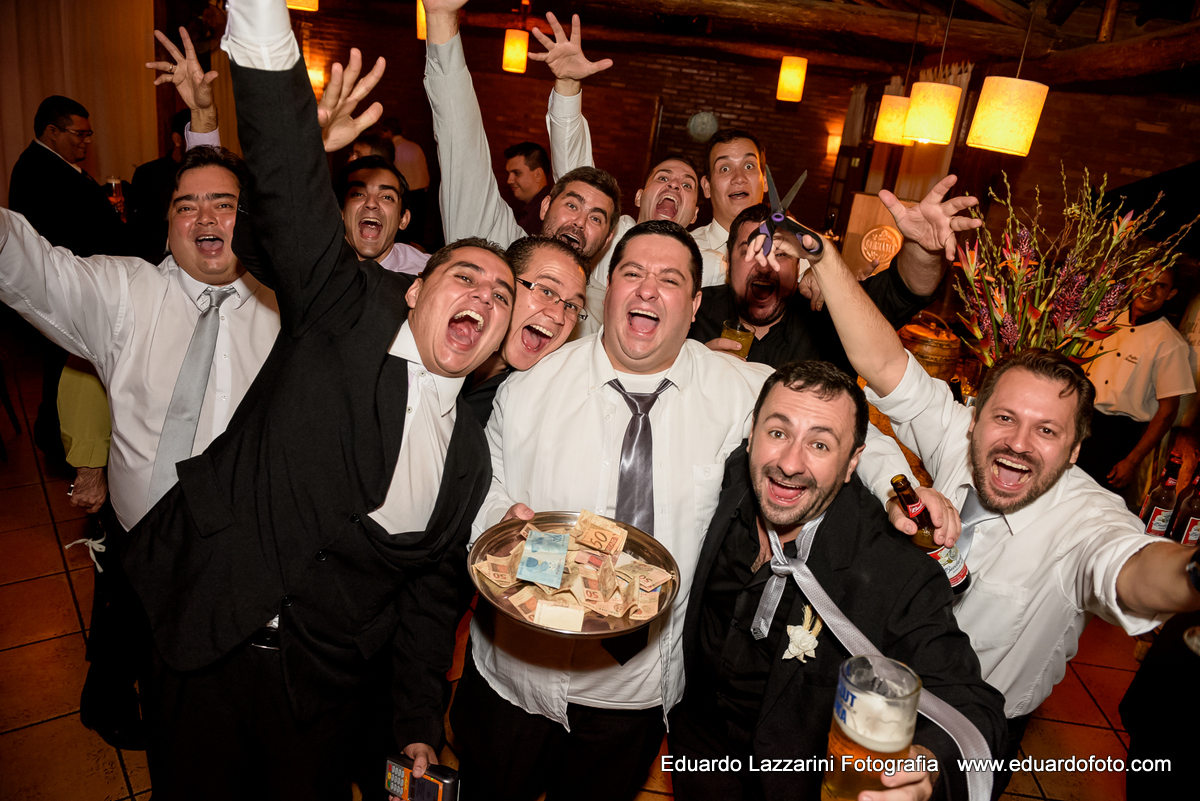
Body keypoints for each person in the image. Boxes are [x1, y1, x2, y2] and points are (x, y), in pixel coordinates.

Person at [120, 3, 513, 795]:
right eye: (462, 276)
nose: (483, 295)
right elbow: (291, 198)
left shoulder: (470, 459)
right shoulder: (347, 307)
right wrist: (263, 20)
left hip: (323, 698)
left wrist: (414, 723)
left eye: (501, 295)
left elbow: (427, 601)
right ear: (411, 290)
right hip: (204, 637)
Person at [454, 218, 926, 801]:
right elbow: (488, 492)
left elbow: (841, 419)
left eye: (670, 279)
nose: (648, 289)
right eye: (633, 273)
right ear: (610, 289)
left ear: (696, 302)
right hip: (516, 678)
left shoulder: (736, 389)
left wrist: (900, 488)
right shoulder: (530, 388)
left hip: (635, 693)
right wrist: (504, 529)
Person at [798, 211, 1200, 797]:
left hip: (972, 727)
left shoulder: (1084, 518)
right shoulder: (960, 438)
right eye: (1005, 418)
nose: (1016, 443)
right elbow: (885, 363)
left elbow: (1132, 567)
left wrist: (1195, 573)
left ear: (1075, 448)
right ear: (976, 418)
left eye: (1046, 431)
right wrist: (822, 255)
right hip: (882, 691)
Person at [672, 361, 1006, 801]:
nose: (789, 463)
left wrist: (928, 771)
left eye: (820, 444)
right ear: (751, 435)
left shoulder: (891, 569)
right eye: (777, 433)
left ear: (852, 463)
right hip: (698, 750)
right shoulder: (727, 483)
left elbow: (974, 711)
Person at [690, 177, 966, 368]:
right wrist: (691, 368)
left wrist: (922, 247)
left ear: (800, 264)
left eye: (781, 253)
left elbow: (906, 290)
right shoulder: (692, 315)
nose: (766, 265)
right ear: (729, 259)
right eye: (751, 251)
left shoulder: (834, 317)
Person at [423, 0, 621, 264]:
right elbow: (461, 143)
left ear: (608, 239)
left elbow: (576, 175)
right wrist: (441, 19)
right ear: (545, 206)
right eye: (571, 206)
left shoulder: (605, 300)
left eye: (596, 218)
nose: (579, 223)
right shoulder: (499, 251)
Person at [1075, 264, 1194, 496]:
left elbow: (1168, 411)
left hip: (1115, 439)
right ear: (1132, 282)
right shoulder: (1103, 321)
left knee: (1090, 508)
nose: (1149, 290)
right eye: (1145, 281)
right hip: (1075, 422)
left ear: (1171, 294)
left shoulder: (1170, 343)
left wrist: (1133, 460)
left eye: (1161, 286)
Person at [460, 235, 589, 423]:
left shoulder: (535, 406)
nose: (559, 316)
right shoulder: (442, 340)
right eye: (546, 291)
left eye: (571, 306)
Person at [334, 154, 429, 274]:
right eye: (358, 194)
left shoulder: (427, 274)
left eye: (387, 197)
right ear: (341, 211)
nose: (371, 203)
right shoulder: (315, 269)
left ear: (403, 219)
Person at [692, 128, 765, 283]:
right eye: (725, 168)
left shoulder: (797, 254)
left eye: (749, 166)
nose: (739, 178)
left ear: (764, 181)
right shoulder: (685, 251)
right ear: (707, 187)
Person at [379, 117, 432, 249]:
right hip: (420, 195)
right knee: (417, 233)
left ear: (389, 132)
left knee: (401, 235)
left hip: (404, 196)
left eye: (383, 132)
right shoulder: (415, 146)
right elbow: (425, 173)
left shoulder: (391, 149)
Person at [503, 141, 552, 235]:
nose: (509, 180)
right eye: (508, 174)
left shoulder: (545, 213)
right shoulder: (531, 211)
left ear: (538, 175)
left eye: (517, 173)